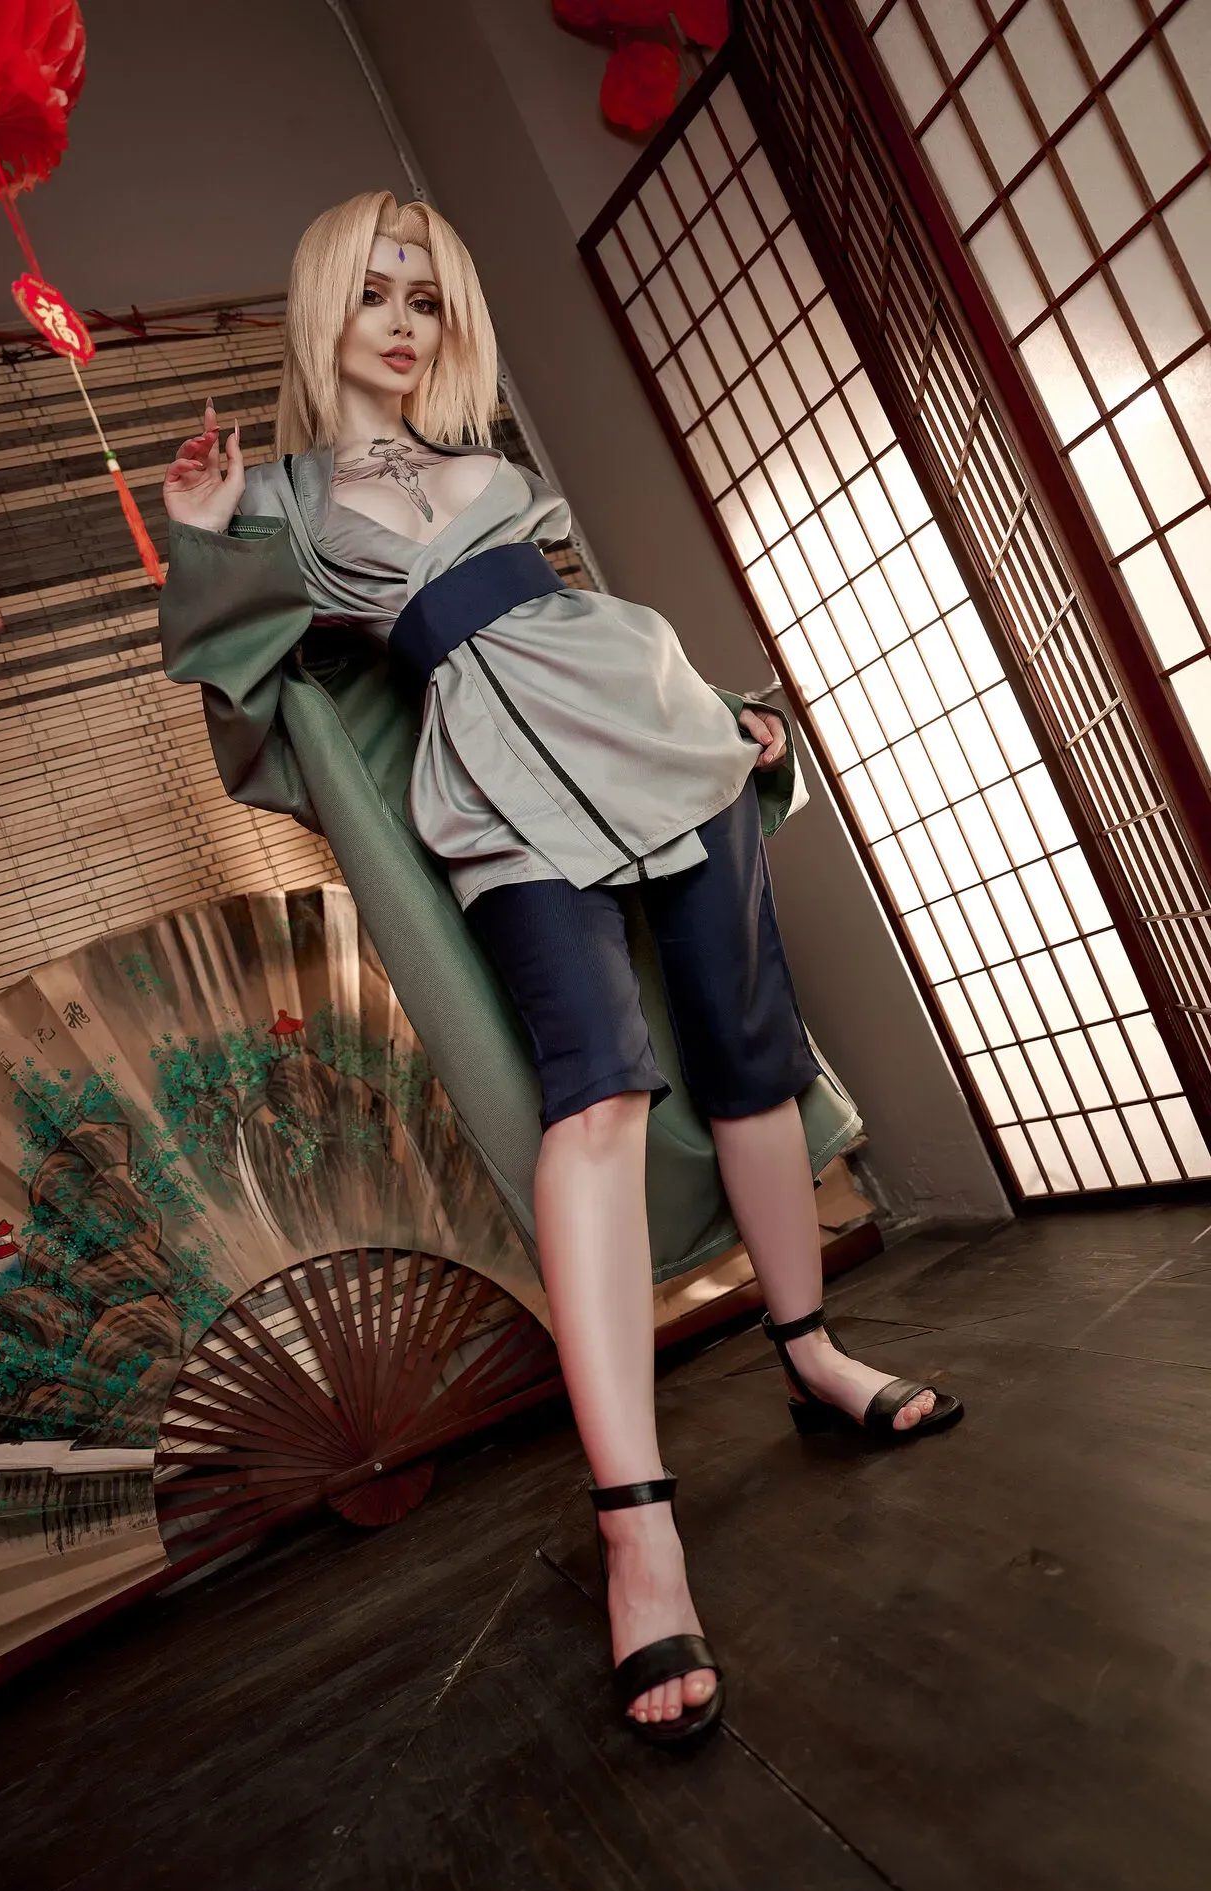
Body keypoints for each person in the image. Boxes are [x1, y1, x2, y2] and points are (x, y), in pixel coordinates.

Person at [159, 193, 963, 1749]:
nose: (404, 324)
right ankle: (636, 1528)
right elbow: (244, 699)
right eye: (376, 294)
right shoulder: (276, 503)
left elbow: (588, 622)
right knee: (592, 1094)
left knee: (749, 1050)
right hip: (494, 796)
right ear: (324, 308)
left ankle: (813, 1355)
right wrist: (199, 536)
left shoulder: (488, 466)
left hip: (661, 729)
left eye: (427, 299)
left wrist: (729, 714)